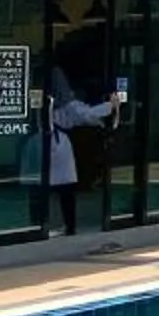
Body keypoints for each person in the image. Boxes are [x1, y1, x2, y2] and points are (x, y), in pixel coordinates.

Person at [45, 79, 120, 235]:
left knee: (58, 186)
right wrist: (111, 105)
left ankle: (60, 225)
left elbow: (87, 114)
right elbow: (87, 114)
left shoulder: (62, 104)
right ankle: (63, 225)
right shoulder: (68, 105)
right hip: (56, 143)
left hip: (53, 142)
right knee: (64, 187)